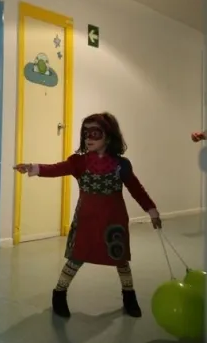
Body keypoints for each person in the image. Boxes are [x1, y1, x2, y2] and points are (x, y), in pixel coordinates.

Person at [14, 112, 162, 319]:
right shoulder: (80, 162)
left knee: (120, 259)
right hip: (86, 220)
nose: (88, 138)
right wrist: (32, 167)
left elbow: (137, 189)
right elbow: (56, 169)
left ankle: (129, 296)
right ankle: (59, 294)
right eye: (85, 133)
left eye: (95, 133)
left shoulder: (121, 165)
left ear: (108, 137)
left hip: (114, 222)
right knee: (76, 257)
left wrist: (152, 211)